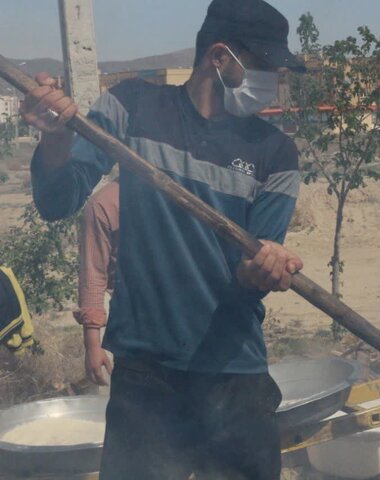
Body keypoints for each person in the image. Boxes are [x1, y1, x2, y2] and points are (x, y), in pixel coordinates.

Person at [21, 0, 306, 478]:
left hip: (234, 371)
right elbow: (59, 201)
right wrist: (54, 141)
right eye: (264, 67)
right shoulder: (131, 105)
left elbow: (249, 272)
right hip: (146, 375)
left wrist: (265, 268)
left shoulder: (276, 153)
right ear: (220, 57)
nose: (272, 83)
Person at [72, 180, 119, 386]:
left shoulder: (185, 195)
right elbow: (93, 273)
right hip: (129, 324)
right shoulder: (104, 203)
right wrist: (93, 345)